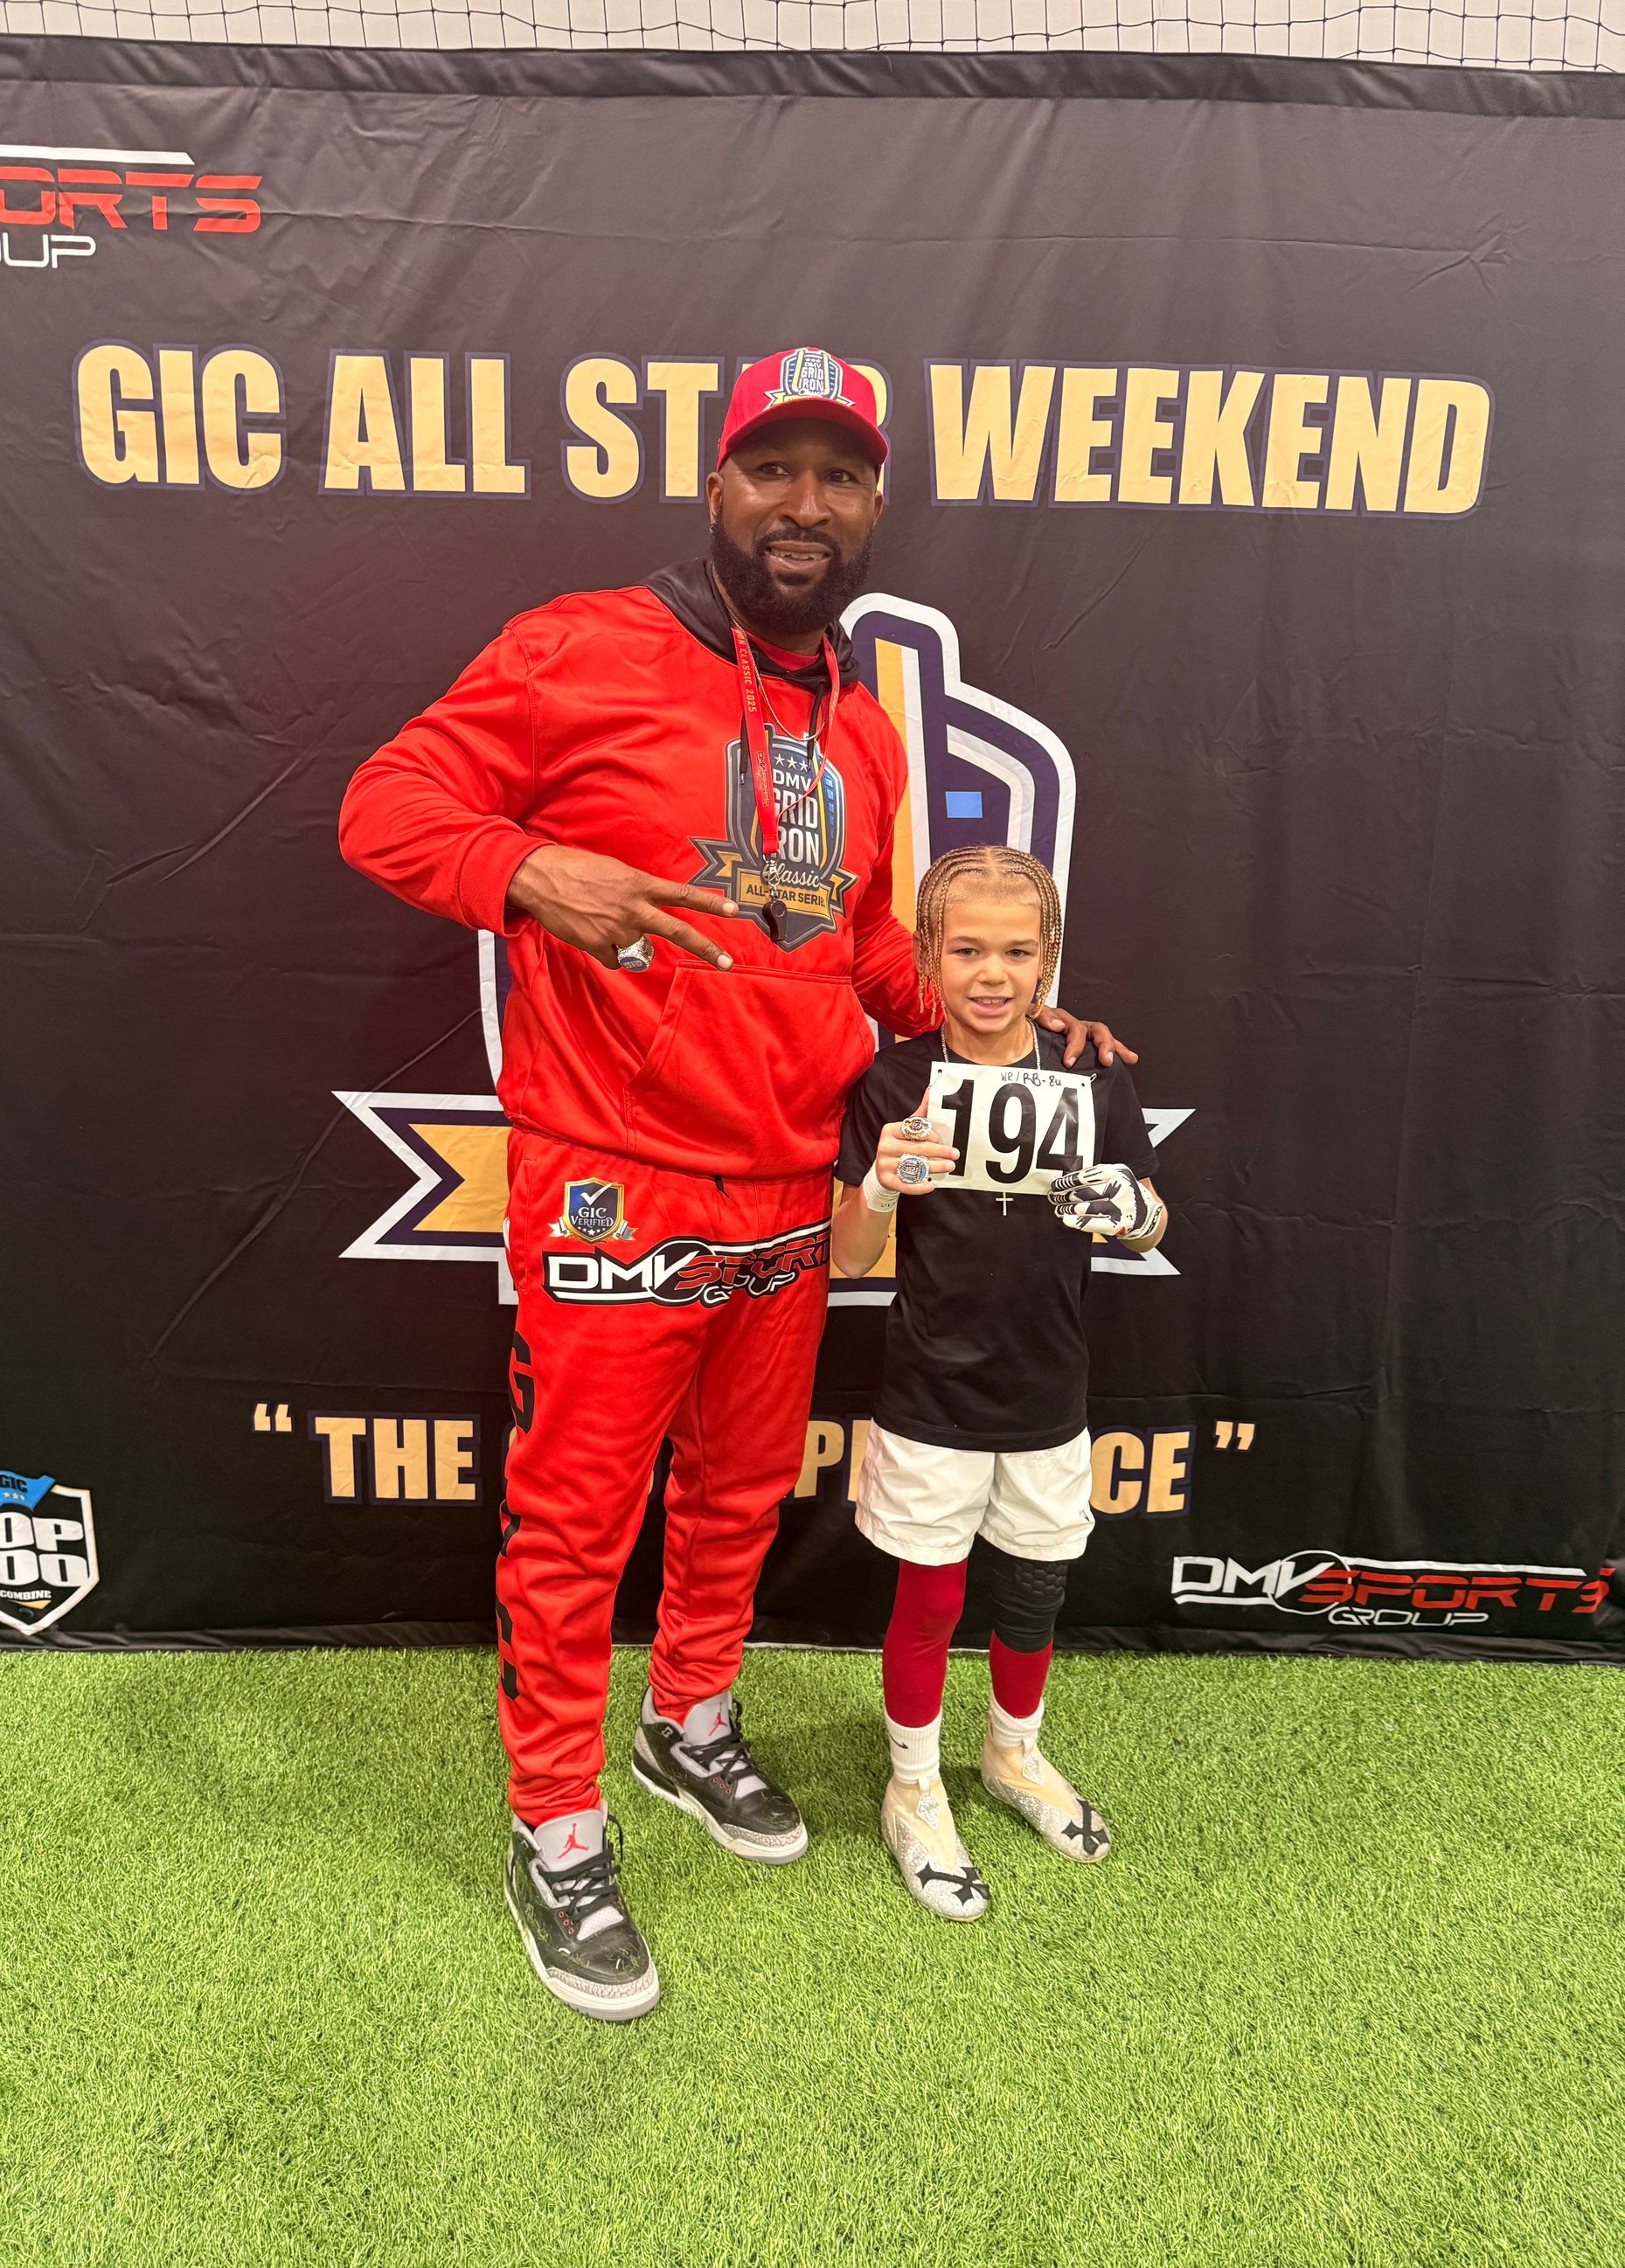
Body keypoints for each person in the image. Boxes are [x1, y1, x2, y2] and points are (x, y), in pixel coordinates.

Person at [339, 347, 1132, 2020]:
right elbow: (383, 806)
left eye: (839, 477)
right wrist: (524, 867)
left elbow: (860, 955)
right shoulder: (579, 646)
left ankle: (686, 1722)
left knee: (741, 1491)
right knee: (575, 1524)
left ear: (874, 507)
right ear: (716, 486)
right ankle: (554, 1826)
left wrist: (1003, 1021)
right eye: (773, 468)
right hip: (611, 1180)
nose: (804, 505)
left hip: (791, 1186)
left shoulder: (862, 724)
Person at [831, 843, 1165, 1920]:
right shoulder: (894, 1081)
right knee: (929, 1597)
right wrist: (880, 1185)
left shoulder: (1091, 1074)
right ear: (927, 955)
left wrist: (1132, 1209)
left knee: (1033, 1587)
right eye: (966, 948)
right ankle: (912, 1784)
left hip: (1048, 1390)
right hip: (931, 1394)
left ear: (1047, 957)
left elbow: (1151, 1217)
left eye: (1016, 952)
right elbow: (846, 1257)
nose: (991, 973)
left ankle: (1011, 1753)